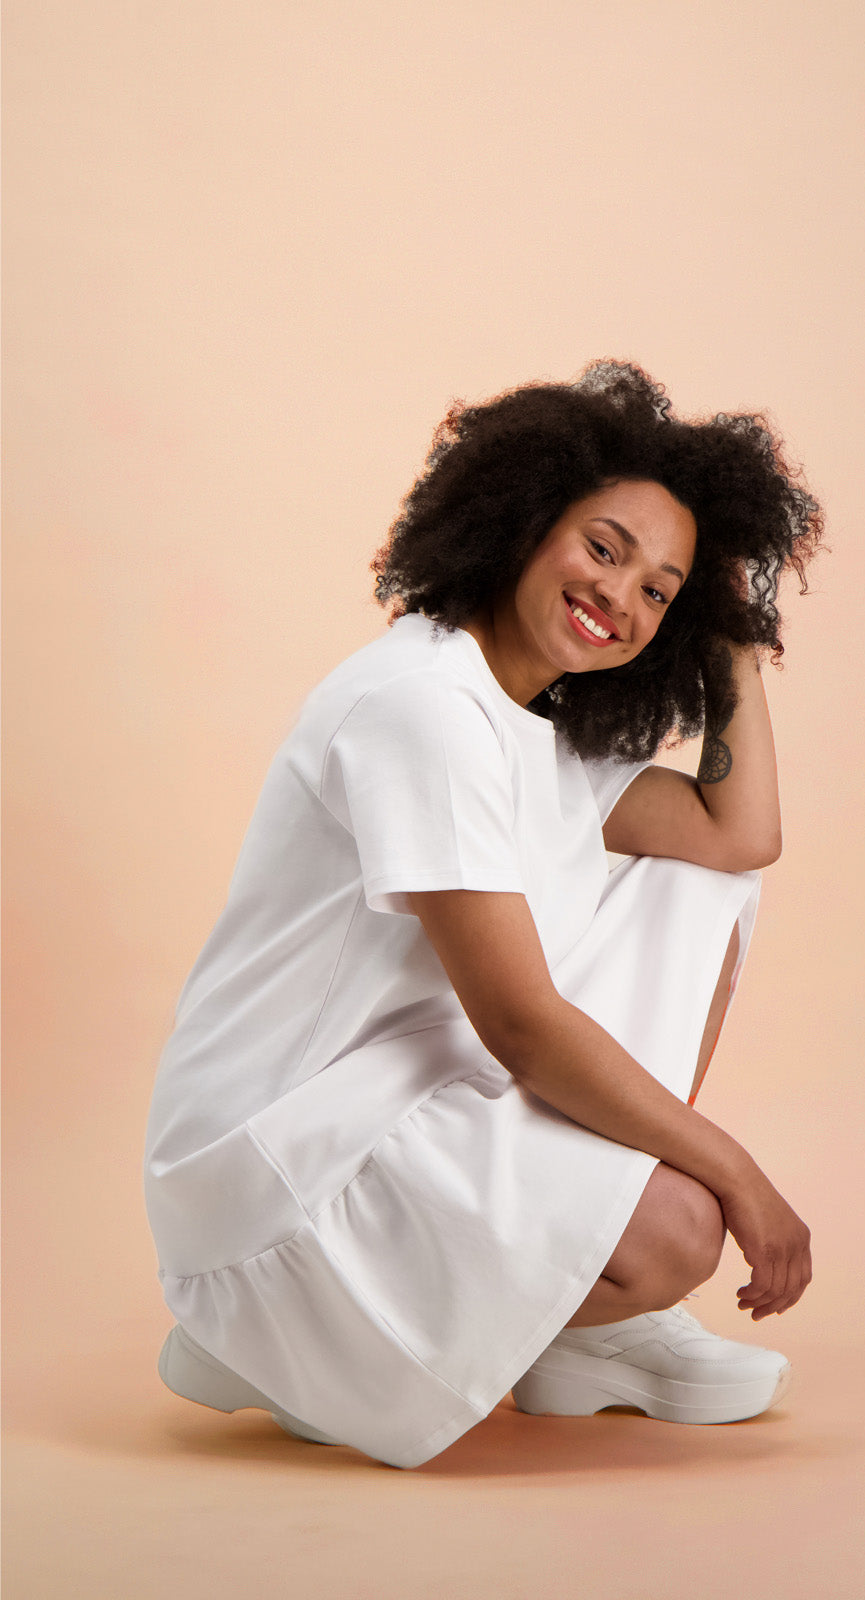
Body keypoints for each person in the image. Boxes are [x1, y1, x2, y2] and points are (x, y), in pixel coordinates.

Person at [144, 359, 824, 1470]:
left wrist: (728, 625)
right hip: (276, 1173)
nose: (620, 595)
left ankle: (552, 1330)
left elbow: (734, 834)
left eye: (659, 591)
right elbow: (519, 1024)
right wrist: (739, 1176)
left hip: (392, 1105)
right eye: (602, 548)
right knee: (678, 1229)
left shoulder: (527, 727)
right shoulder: (423, 706)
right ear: (522, 516)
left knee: (699, 879)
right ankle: (278, 1341)